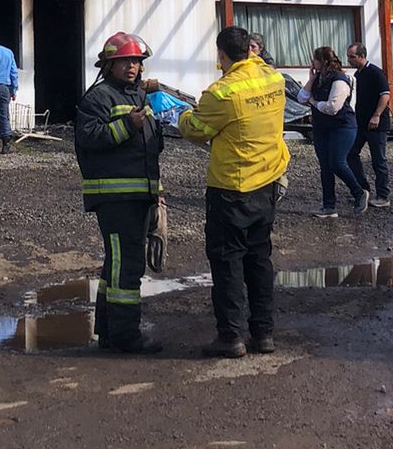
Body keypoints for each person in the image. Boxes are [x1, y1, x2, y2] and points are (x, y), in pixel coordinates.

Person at [179, 25, 290, 358]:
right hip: (268, 182)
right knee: (260, 261)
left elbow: (197, 130)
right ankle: (264, 333)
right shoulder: (273, 79)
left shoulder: (222, 92)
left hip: (232, 188)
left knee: (228, 263)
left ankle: (230, 338)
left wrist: (184, 114)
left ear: (221, 54)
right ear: (252, 50)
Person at [73, 31, 165, 354]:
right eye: (126, 60)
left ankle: (110, 331)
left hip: (138, 195)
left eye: (137, 62)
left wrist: (158, 192)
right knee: (127, 266)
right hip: (114, 199)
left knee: (116, 264)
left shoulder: (139, 97)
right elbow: (90, 138)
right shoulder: (97, 98)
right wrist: (128, 126)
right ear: (109, 64)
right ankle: (127, 336)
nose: (133, 67)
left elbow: (150, 149)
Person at [300, 46, 364, 218]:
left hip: (342, 126)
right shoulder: (319, 78)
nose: (312, 62)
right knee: (325, 166)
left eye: (315, 59)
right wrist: (311, 79)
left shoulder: (340, 80)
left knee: (337, 162)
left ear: (322, 61)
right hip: (322, 127)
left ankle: (359, 192)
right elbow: (301, 97)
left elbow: (332, 107)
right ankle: (329, 206)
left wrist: (313, 102)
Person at [345, 42, 392, 208]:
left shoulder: (375, 72)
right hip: (360, 123)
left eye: (352, 56)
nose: (349, 60)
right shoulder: (357, 75)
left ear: (362, 56)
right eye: (348, 56)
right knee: (351, 153)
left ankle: (383, 195)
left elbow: (385, 95)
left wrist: (377, 115)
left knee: (378, 159)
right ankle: (363, 189)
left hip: (376, 123)